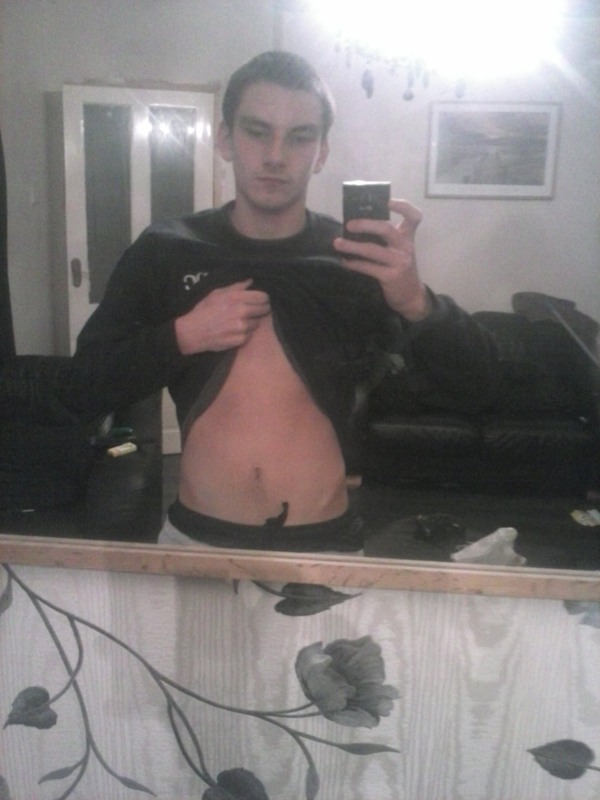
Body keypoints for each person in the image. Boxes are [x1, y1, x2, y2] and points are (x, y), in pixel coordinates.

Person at [72, 51, 497, 552]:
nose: (276, 156)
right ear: (225, 139)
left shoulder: (353, 261)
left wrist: (416, 302)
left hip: (325, 545)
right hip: (197, 544)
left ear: (320, 152)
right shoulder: (168, 250)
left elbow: (480, 388)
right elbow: (86, 386)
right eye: (257, 131)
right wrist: (183, 335)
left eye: (299, 137)